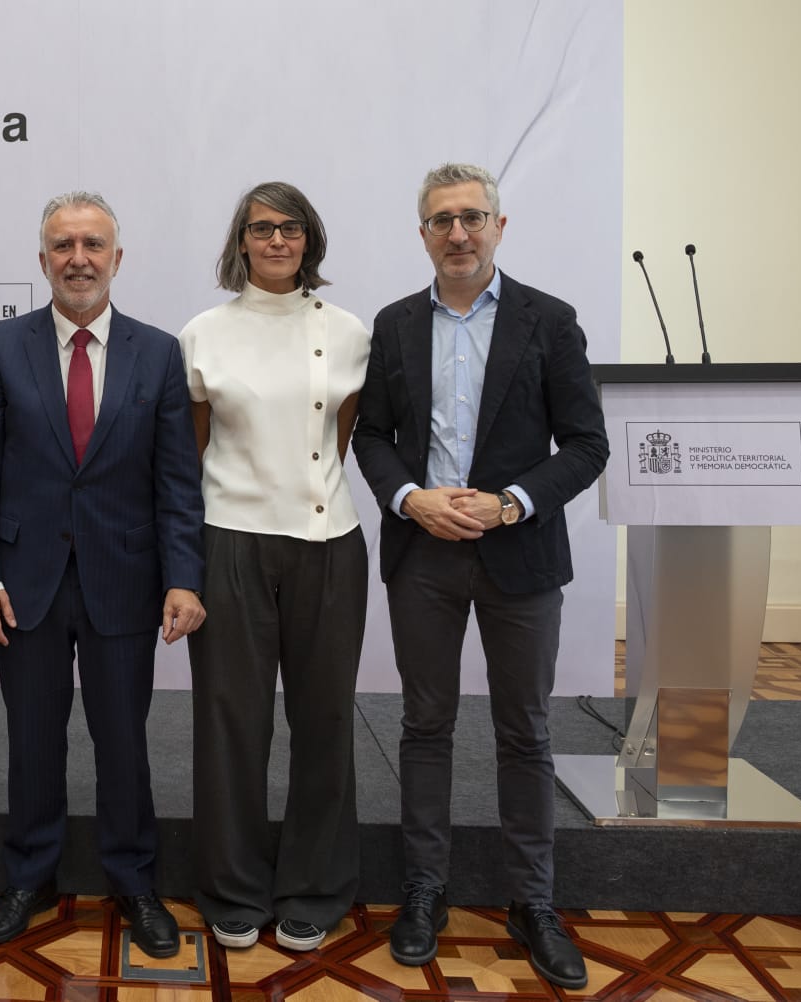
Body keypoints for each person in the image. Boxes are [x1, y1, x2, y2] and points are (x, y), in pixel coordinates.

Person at [352, 163, 609, 990]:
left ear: (501, 225)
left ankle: (533, 901)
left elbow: (586, 444)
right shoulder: (393, 326)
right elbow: (372, 438)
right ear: (421, 233)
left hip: (520, 555)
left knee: (525, 732)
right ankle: (424, 890)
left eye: (472, 217)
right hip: (424, 553)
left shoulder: (550, 320)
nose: (457, 233)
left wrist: (514, 502)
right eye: (441, 221)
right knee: (425, 727)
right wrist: (408, 497)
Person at [0, 191, 205, 959]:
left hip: (124, 580)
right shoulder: (2, 347)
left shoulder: (159, 352)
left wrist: (185, 577)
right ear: (42, 261)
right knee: (32, 740)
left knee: (123, 741)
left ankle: (133, 881)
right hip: (24, 584)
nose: (78, 258)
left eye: (93, 244)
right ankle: (30, 877)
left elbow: (177, 481)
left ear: (117, 259)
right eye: (62, 245)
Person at [177, 182, 370, 953]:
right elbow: (191, 453)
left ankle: (316, 889)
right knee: (231, 724)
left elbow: (344, 439)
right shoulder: (202, 333)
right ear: (241, 241)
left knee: (324, 721)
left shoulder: (351, 331)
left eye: (290, 227)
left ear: (309, 239)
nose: (277, 240)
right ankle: (231, 889)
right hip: (229, 540)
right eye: (262, 228)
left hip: (329, 543)